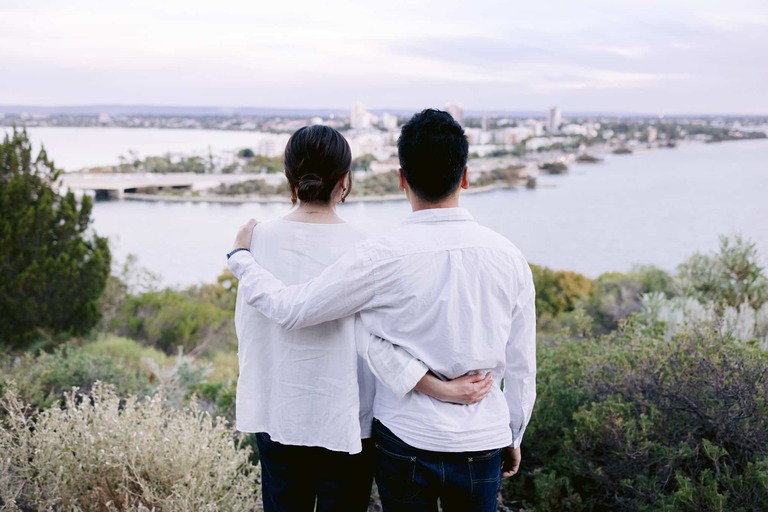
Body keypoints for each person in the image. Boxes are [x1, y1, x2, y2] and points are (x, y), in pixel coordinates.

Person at [228, 110, 536, 512]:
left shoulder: (379, 255)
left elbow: (306, 319)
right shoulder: (508, 256)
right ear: (465, 176)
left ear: (401, 178)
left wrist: (240, 258)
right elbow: (521, 362)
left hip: (357, 428)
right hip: (436, 432)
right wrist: (513, 433)